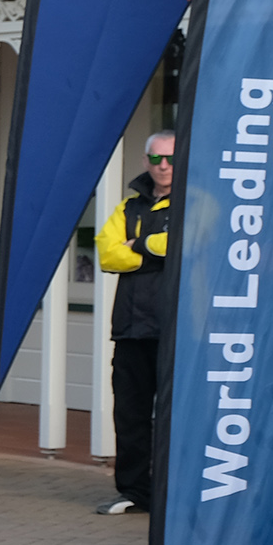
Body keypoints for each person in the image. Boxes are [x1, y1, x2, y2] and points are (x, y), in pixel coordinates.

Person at [95, 130, 175, 515]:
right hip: (130, 329)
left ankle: (171, 493)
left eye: (171, 159)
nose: (163, 167)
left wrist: (138, 246)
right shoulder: (128, 208)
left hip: (175, 330)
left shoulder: (195, 202)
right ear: (145, 161)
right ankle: (134, 493)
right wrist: (155, 249)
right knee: (130, 415)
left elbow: (184, 243)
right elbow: (108, 255)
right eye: (156, 159)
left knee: (176, 416)